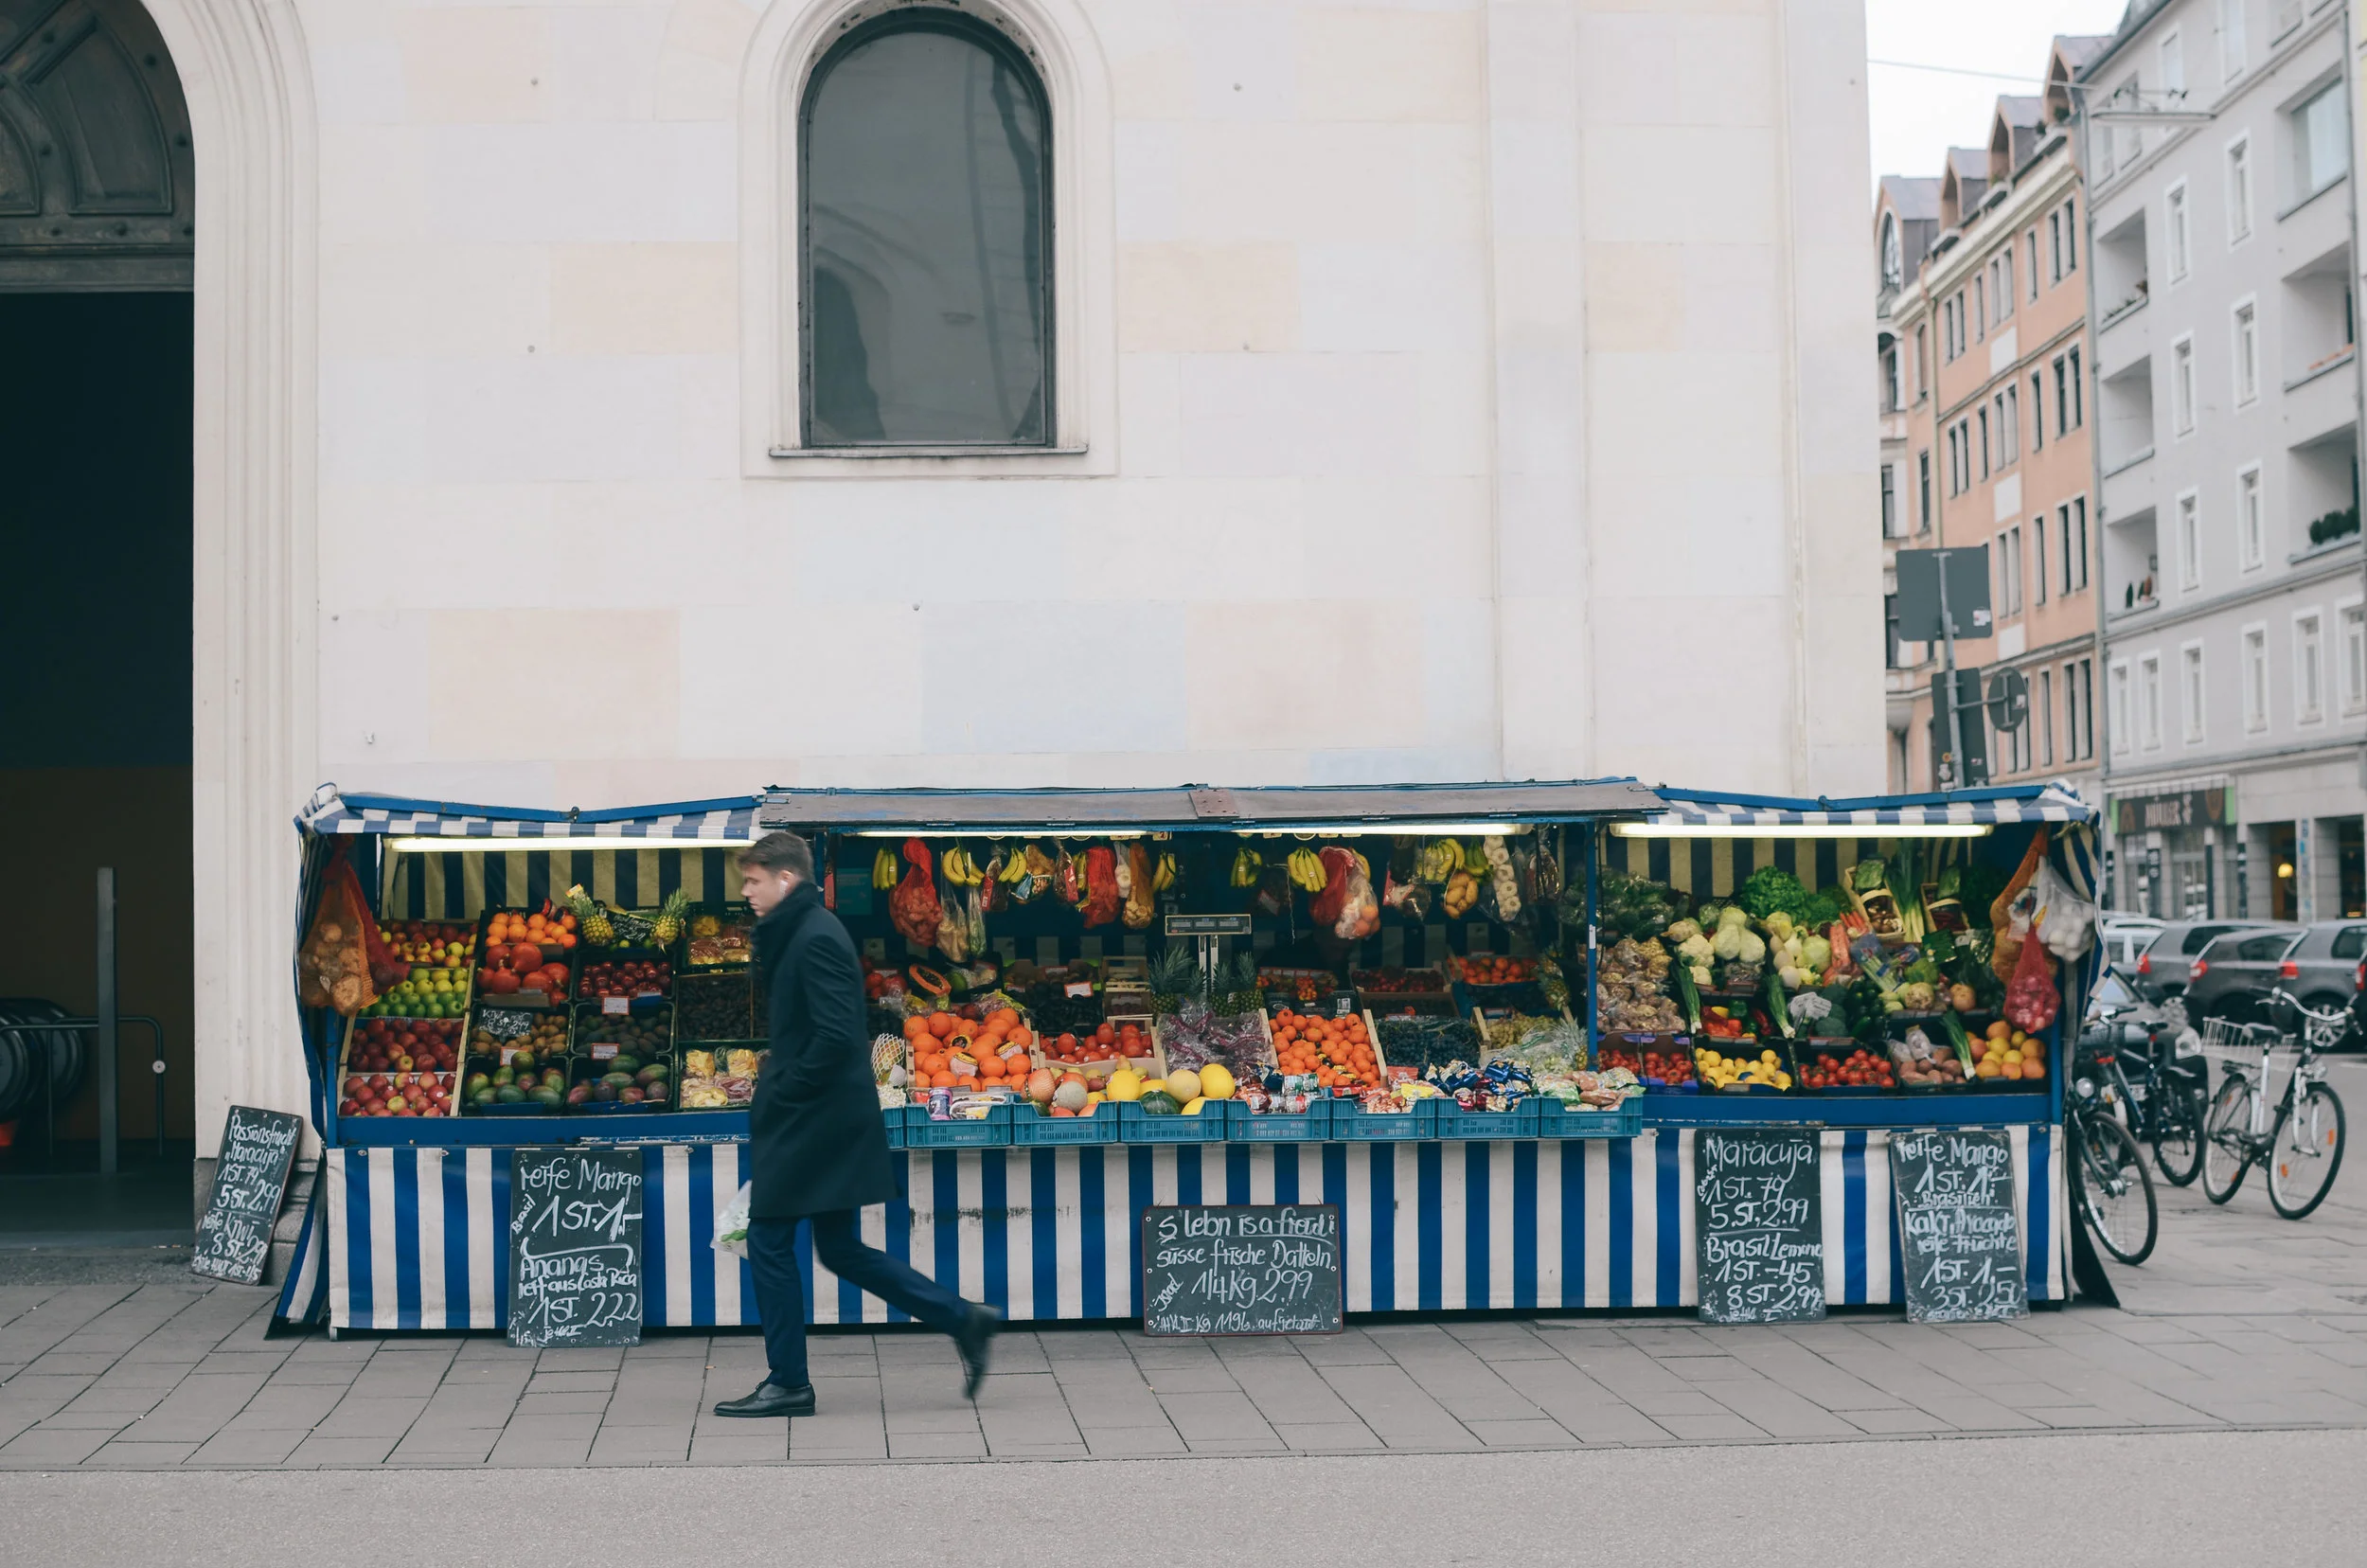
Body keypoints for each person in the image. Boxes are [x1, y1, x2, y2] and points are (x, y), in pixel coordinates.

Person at [714, 830, 1002, 1418]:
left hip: (810, 1122)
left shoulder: (814, 936)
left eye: (753, 880)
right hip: (826, 1118)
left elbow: (835, 1037)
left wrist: (781, 1087)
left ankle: (790, 1382)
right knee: (840, 1248)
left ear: (785, 879)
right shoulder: (802, 930)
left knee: (769, 1242)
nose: (746, 891)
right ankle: (963, 1319)